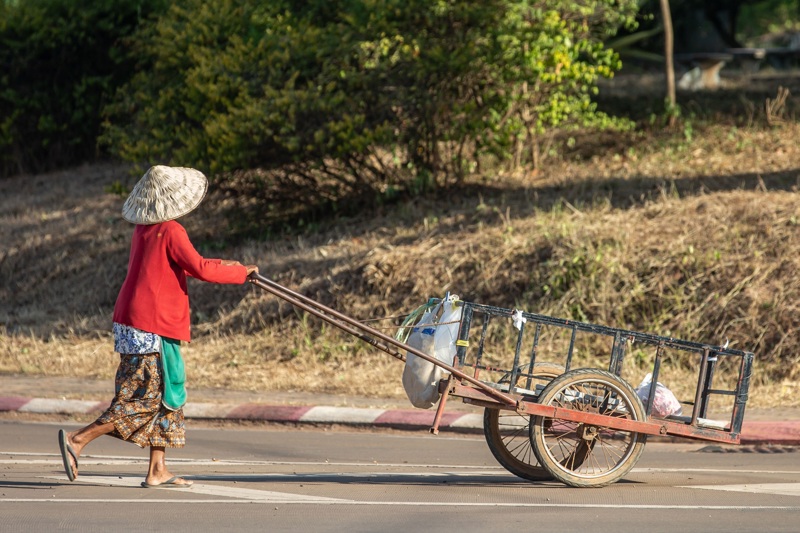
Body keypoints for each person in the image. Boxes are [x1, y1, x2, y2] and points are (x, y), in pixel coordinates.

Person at [57, 165, 258, 488]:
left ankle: (157, 469)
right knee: (144, 398)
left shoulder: (145, 229)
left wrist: (226, 265)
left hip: (136, 320)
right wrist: (239, 273)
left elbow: (190, 266)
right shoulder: (172, 230)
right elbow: (199, 268)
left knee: (168, 393)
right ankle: (77, 441)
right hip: (151, 324)